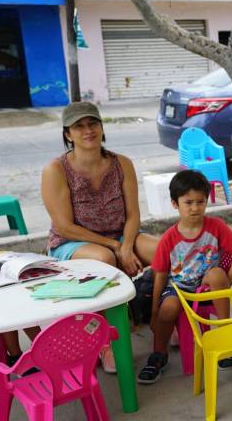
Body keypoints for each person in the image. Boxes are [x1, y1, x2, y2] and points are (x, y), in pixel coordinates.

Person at [42, 101, 159, 372]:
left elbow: (133, 214)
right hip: (72, 243)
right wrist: (117, 248)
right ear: (68, 134)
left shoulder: (122, 163)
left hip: (121, 235)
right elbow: (64, 226)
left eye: (92, 123)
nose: (88, 130)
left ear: (102, 127)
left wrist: (127, 245)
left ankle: (161, 318)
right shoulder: (56, 170)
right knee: (103, 260)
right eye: (79, 126)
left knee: (166, 250)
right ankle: (103, 342)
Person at [137, 170, 232, 384]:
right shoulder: (169, 238)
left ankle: (224, 340)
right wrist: (154, 311)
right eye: (188, 202)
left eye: (200, 201)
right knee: (167, 309)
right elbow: (160, 274)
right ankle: (159, 354)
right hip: (178, 288)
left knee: (216, 274)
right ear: (174, 203)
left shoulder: (216, 226)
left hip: (205, 287)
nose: (195, 208)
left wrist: (226, 284)